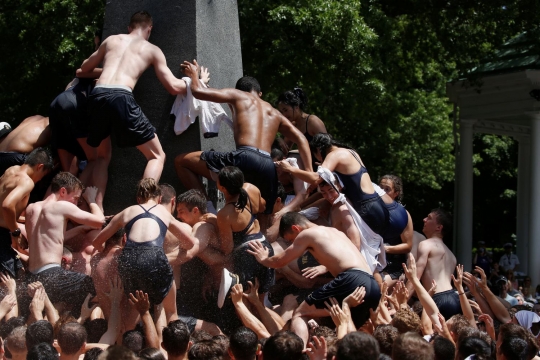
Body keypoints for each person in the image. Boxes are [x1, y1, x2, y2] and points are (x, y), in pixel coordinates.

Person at [175, 64, 313, 218]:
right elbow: (301, 139)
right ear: (260, 93)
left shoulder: (238, 96)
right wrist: (309, 173)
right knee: (264, 219)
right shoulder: (275, 113)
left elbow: (198, 92)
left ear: (240, 90)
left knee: (181, 162)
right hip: (268, 165)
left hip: (245, 157)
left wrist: (194, 75)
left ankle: (209, 211)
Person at [78, 11, 190, 183]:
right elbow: (174, 87)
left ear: (129, 27)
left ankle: (97, 206)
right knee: (157, 156)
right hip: (121, 96)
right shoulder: (152, 49)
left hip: (97, 95)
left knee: (101, 158)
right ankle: (145, 203)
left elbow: (85, 68)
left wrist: (109, 66)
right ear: (149, 29)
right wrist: (196, 81)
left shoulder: (111, 40)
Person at [248, 212, 381, 347]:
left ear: (296, 228)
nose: (293, 243)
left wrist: (263, 258)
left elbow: (279, 261)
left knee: (300, 313)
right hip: (372, 285)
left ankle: (298, 354)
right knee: (350, 331)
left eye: (292, 240)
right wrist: (325, 267)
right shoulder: (334, 232)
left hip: (351, 279)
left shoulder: (307, 234)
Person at [92, 178, 197, 324]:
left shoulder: (127, 211)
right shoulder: (163, 212)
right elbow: (190, 243)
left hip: (129, 259)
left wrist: (102, 250)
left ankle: (125, 343)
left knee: (133, 311)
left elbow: (97, 242)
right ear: (159, 198)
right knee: (170, 312)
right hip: (154, 258)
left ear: (138, 198)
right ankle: (172, 343)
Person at [24, 172, 104, 314]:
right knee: (98, 287)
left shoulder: (31, 208)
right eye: (76, 198)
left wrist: (79, 229)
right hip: (53, 276)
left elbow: (49, 239)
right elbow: (99, 221)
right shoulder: (60, 206)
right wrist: (91, 199)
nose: (76, 203)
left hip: (32, 277)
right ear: (62, 191)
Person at [216, 167, 274, 308]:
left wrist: (214, 227)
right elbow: (262, 206)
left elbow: (228, 248)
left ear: (222, 187)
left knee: (247, 304)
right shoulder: (252, 189)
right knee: (261, 303)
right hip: (264, 246)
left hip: (249, 256)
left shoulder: (224, 214)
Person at [0, 148, 53, 278]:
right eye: (42, 175)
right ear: (40, 167)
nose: (40, 179)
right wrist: (16, 232)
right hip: (0, 234)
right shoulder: (26, 181)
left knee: (17, 274)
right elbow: (7, 205)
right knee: (9, 280)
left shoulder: (10, 170)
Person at [409, 209, 460, 320]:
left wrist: (402, 302)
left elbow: (415, 279)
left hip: (437, 298)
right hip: (455, 298)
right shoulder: (452, 256)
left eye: (429, 218)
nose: (424, 220)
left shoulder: (426, 245)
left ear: (438, 227)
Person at [377, 174, 415, 287]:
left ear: (396, 193)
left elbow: (408, 246)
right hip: (372, 262)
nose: (382, 192)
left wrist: (384, 248)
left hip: (393, 267)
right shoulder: (370, 210)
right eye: (380, 188)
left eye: (387, 189)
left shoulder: (403, 214)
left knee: (378, 287)